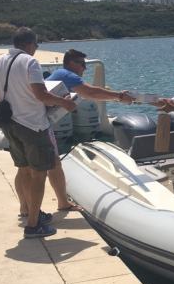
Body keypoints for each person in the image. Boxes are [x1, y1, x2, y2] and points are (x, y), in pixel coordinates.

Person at [0, 27, 76, 239]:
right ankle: (33, 225)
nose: (36, 48)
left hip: (10, 124)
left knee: (24, 169)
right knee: (39, 174)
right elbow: (41, 95)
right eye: (36, 45)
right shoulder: (30, 62)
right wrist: (64, 102)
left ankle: (31, 211)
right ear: (29, 44)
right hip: (32, 125)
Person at [42, 49, 135, 212]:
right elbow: (91, 92)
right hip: (41, 125)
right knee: (50, 166)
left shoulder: (60, 75)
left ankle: (31, 207)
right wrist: (119, 96)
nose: (84, 68)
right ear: (70, 63)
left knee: (37, 167)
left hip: (41, 122)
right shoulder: (67, 75)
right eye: (81, 64)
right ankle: (57, 205)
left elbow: (90, 94)